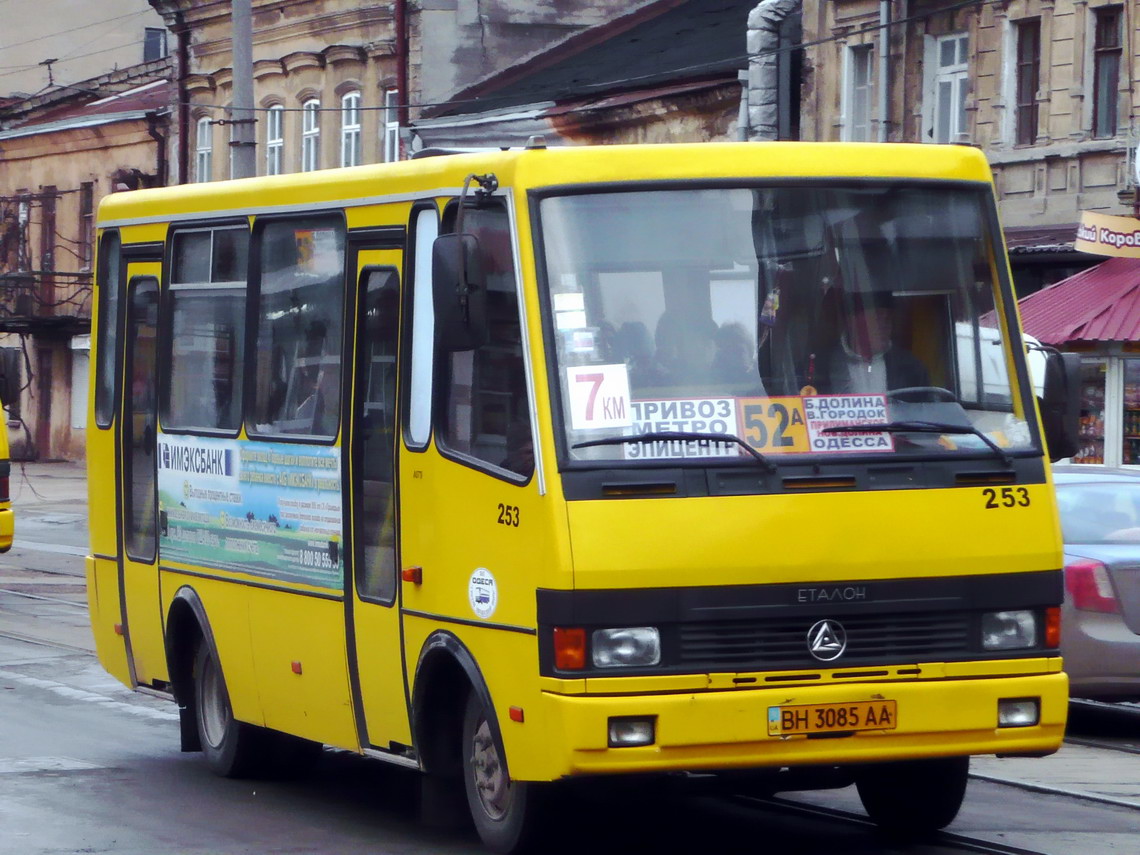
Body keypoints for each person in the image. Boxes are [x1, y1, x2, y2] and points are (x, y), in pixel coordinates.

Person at [813, 290, 928, 395]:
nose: (884, 325)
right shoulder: (819, 367)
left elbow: (926, 411)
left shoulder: (911, 367)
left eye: (888, 318)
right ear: (852, 321)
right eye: (877, 317)